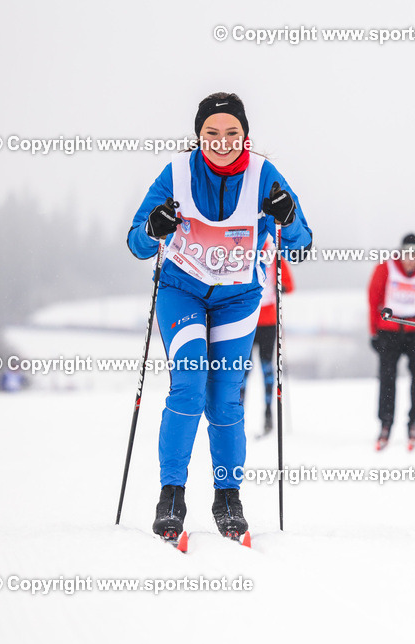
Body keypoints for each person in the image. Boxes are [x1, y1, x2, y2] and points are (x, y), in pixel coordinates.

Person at [127, 92, 311, 542]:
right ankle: (171, 495)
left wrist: (286, 218)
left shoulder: (263, 176)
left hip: (237, 297)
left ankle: (228, 497)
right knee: (188, 385)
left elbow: (301, 245)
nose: (222, 142)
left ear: (245, 137)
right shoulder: (176, 174)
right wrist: (154, 227)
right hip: (182, 291)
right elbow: (137, 242)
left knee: (226, 398)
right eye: (212, 133)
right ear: (198, 136)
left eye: (232, 134)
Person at [368, 233, 415, 451]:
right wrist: (374, 332)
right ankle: (385, 423)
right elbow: (374, 299)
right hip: (388, 332)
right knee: (387, 378)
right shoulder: (385, 267)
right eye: (407, 254)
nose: (410, 260)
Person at [242, 235, 295, 435]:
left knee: (253, 368)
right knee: (251, 368)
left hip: (261, 321)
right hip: (250, 321)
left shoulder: (273, 254)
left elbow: (289, 285)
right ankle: (256, 414)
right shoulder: (247, 251)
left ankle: (266, 413)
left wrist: (282, 286)